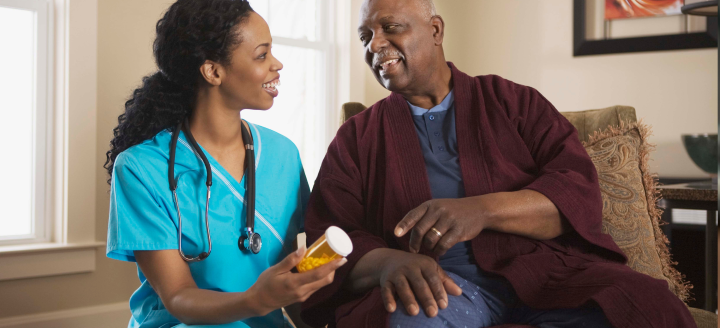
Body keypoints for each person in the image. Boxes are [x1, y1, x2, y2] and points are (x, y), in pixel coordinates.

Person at [300, 0, 696, 327]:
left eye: (391, 28)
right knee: (410, 319)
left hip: (547, 275)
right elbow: (328, 238)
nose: (375, 44)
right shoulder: (356, 138)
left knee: (643, 305)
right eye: (365, 36)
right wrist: (388, 262)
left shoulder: (514, 103)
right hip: (442, 289)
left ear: (435, 31)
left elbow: (577, 191)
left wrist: (482, 210)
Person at [104, 1, 345, 327]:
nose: (277, 64)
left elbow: (292, 273)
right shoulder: (140, 168)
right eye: (262, 55)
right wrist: (257, 299)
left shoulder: (282, 154)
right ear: (213, 71)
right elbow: (177, 297)